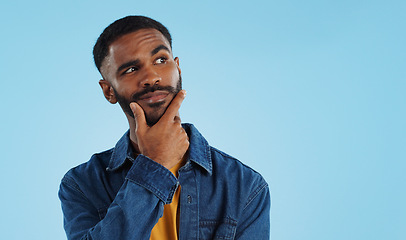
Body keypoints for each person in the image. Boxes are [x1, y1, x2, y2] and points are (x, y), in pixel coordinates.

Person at [58, 15, 270, 240]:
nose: (151, 77)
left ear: (178, 68)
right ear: (108, 90)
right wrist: (155, 165)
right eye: (131, 69)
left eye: (160, 60)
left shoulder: (245, 185)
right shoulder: (81, 184)